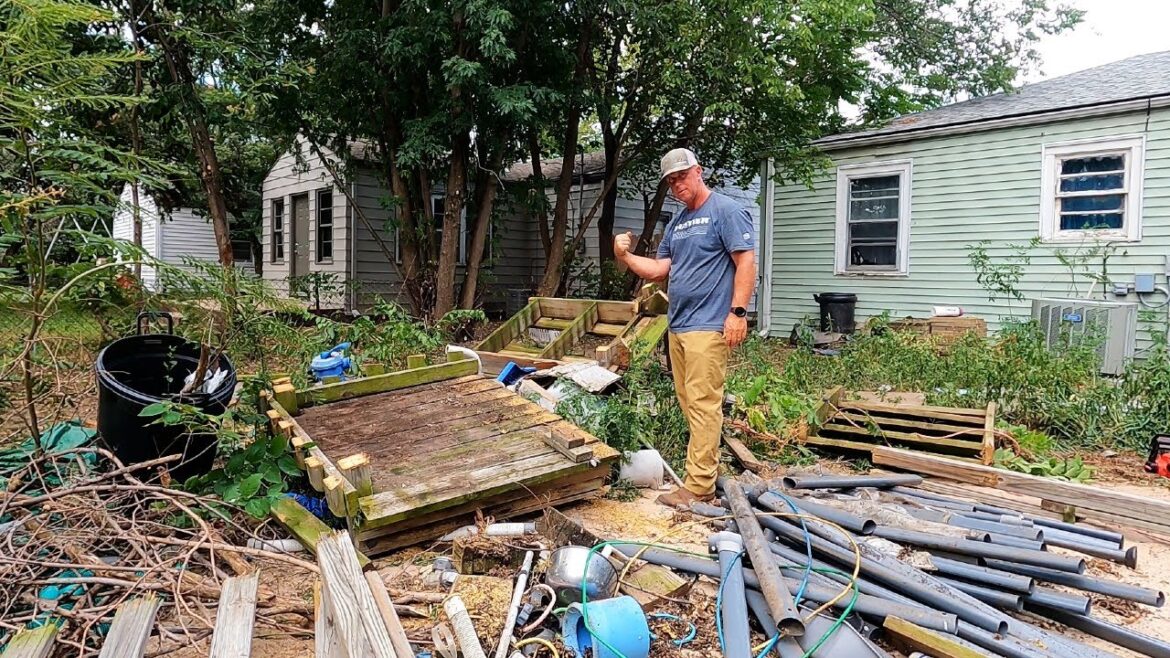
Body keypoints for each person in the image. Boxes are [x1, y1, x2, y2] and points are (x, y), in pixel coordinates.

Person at [613, 148, 757, 508]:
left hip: (708, 325)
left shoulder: (725, 211)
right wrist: (624, 257)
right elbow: (661, 270)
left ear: (698, 171)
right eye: (671, 180)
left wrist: (738, 313)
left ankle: (699, 488)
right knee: (691, 404)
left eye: (682, 176)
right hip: (678, 326)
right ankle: (701, 475)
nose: (677, 185)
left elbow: (746, 261)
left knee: (704, 404)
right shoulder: (678, 223)